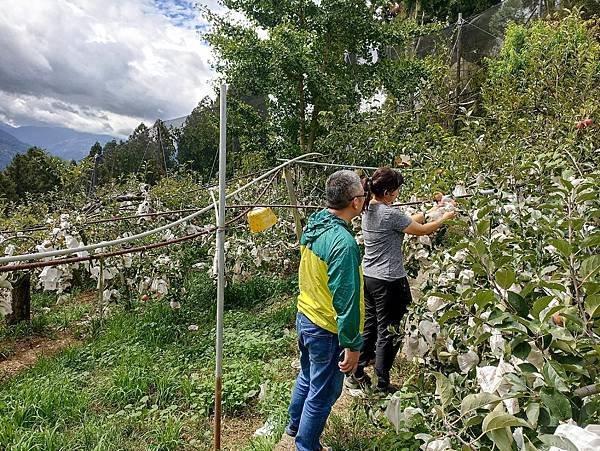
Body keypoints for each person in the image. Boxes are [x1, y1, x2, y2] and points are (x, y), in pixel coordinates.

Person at [345, 167, 456, 393]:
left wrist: (433, 209)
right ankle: (381, 383)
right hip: (389, 281)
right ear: (388, 191)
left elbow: (407, 222)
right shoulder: (389, 214)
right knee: (389, 331)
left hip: (370, 277)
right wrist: (445, 217)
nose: (397, 193)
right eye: (396, 190)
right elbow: (422, 230)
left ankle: (355, 372)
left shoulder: (368, 208)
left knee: (371, 325)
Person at [284, 170, 366, 451]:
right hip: (326, 328)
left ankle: (294, 426)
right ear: (355, 202)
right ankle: (306, 445)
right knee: (324, 391)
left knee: (307, 376)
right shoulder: (343, 245)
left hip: (305, 316)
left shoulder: (316, 223)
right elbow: (346, 300)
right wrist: (352, 345)